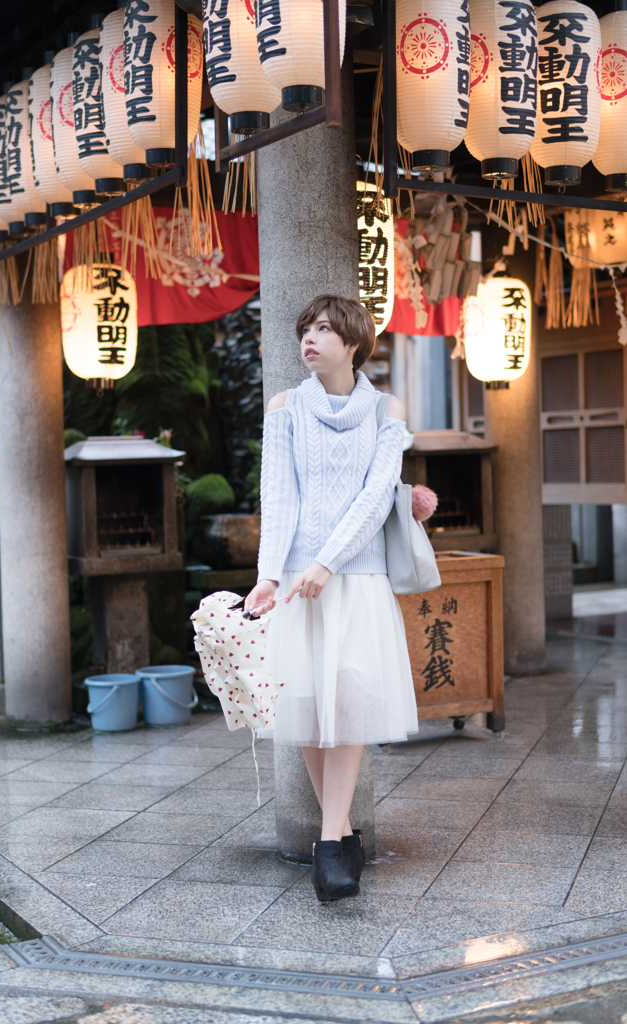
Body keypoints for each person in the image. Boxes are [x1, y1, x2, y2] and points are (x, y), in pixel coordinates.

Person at [244, 294, 418, 903]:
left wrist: (327, 561)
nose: (309, 339)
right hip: (296, 581)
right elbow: (280, 496)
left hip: (356, 578)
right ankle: (341, 836)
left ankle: (328, 843)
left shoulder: (384, 410)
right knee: (311, 707)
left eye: (323, 329)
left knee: (344, 707)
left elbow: (376, 499)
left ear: (353, 344)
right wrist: (271, 574)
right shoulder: (285, 405)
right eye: (305, 330)